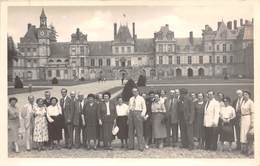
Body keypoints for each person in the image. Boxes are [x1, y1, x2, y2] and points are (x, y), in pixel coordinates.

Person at [240, 91, 254, 155]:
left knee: (248, 134)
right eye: (244, 94)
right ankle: (244, 149)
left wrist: (252, 122)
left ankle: (250, 149)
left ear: (249, 95)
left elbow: (252, 113)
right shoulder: (242, 102)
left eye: (246, 94)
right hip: (243, 118)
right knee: (243, 134)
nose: (244, 95)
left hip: (248, 118)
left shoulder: (251, 102)